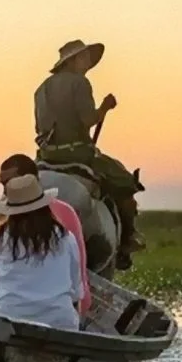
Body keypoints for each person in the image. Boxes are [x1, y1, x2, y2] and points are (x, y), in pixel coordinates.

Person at [33, 39, 144, 269]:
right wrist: (105, 106)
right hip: (77, 154)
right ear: (72, 60)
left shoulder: (41, 88)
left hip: (46, 156)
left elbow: (39, 128)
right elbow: (88, 120)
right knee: (123, 179)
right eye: (84, 58)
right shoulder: (80, 83)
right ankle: (127, 240)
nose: (88, 63)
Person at [0, 174, 83, 331]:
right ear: (44, 206)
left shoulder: (0, 235)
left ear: (12, 211)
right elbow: (75, 291)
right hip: (60, 323)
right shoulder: (66, 236)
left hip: (9, 320)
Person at [0, 154, 91, 316]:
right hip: (62, 319)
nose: (6, 191)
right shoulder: (66, 235)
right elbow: (77, 288)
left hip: (11, 316)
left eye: (9, 184)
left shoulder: (0, 232)